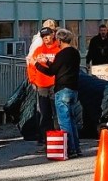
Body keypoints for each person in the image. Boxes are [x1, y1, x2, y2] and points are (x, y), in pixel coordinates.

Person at [35, 28, 83, 158]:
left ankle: (70, 149)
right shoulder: (75, 53)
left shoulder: (62, 54)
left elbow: (52, 71)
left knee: (64, 122)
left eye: (57, 40)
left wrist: (38, 65)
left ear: (60, 40)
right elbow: (60, 67)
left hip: (62, 90)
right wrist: (48, 62)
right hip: (74, 89)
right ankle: (77, 148)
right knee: (72, 120)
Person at [27, 25, 62, 154]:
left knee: (57, 114)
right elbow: (31, 66)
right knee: (44, 114)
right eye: (43, 37)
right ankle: (45, 142)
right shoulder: (38, 50)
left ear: (52, 35)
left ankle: (60, 140)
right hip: (41, 85)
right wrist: (33, 80)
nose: (46, 38)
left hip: (55, 85)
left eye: (47, 35)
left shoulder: (58, 50)